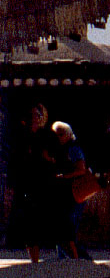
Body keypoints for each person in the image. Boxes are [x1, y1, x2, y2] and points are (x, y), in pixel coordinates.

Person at [10, 103, 55, 263]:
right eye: (31, 116)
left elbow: (54, 159)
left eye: (36, 116)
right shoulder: (20, 137)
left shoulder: (46, 137)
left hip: (41, 184)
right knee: (27, 222)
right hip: (25, 184)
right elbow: (14, 160)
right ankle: (33, 258)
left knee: (41, 221)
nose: (33, 119)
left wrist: (47, 159)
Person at [51, 121, 95, 260]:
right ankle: (65, 259)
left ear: (68, 135)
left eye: (61, 134)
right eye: (56, 134)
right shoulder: (61, 149)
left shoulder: (73, 149)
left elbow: (81, 169)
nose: (59, 137)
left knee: (67, 230)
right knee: (63, 229)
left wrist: (64, 176)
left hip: (74, 193)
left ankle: (77, 260)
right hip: (67, 193)